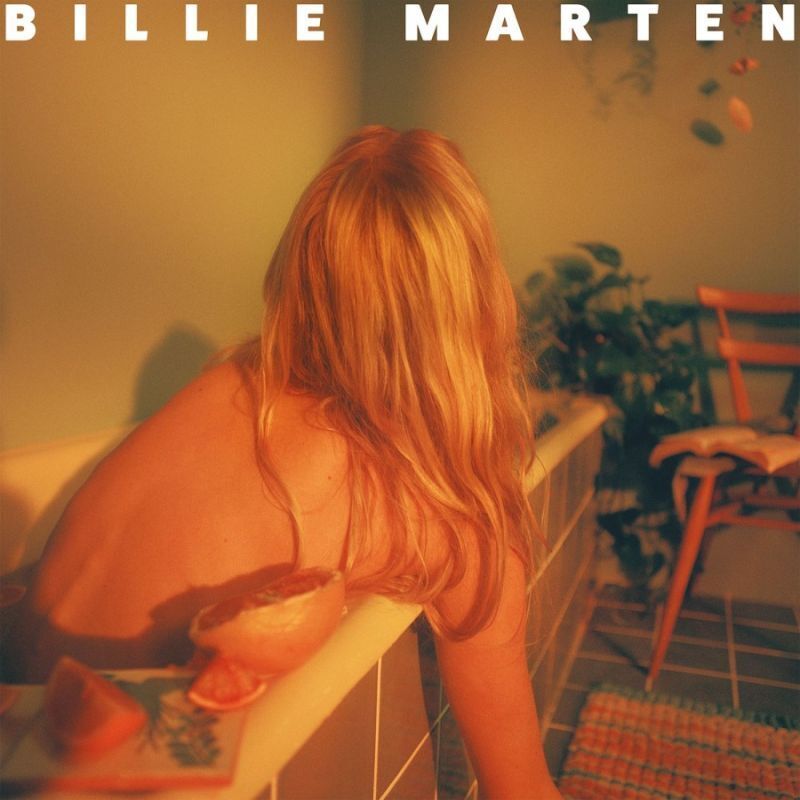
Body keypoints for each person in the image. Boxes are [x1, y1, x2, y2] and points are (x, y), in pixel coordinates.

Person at [7, 126, 562, 798]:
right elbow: (519, 787)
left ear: (300, 271)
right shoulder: (444, 512)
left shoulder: (223, 385)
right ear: (478, 297)